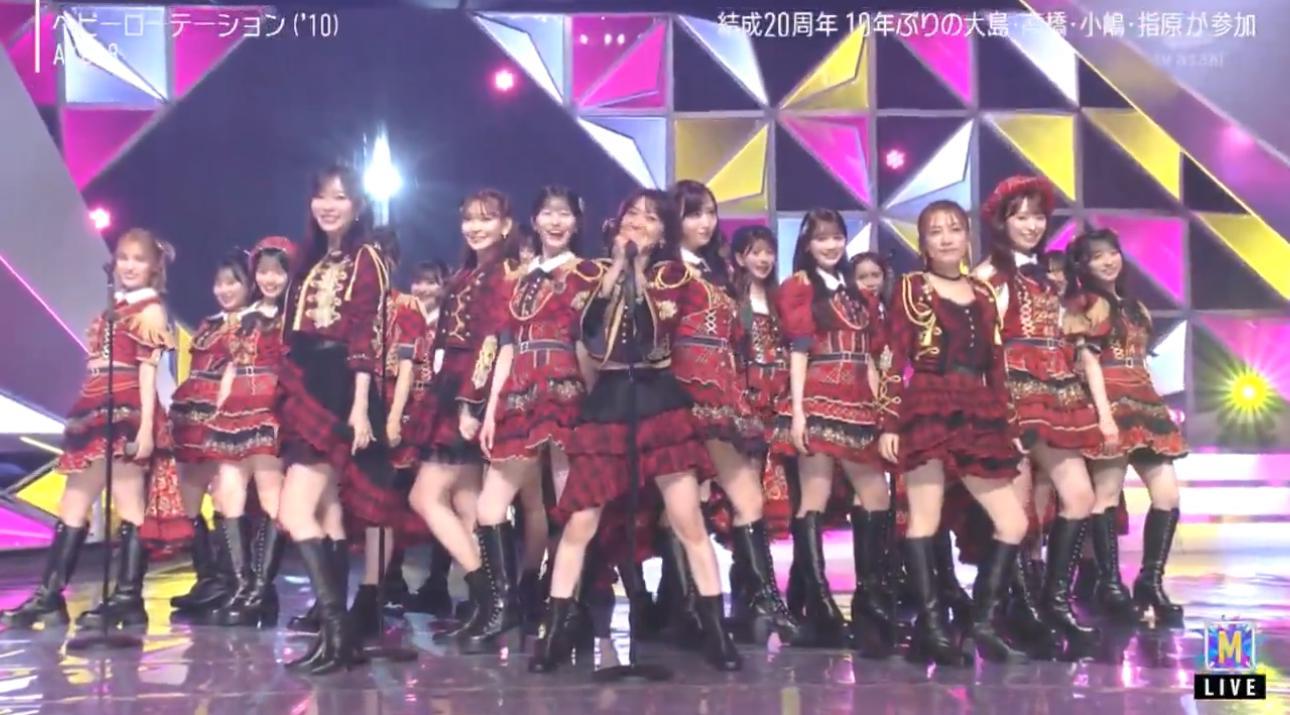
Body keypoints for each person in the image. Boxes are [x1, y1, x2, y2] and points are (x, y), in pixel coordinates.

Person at [530, 189, 739, 673]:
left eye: (650, 217)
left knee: (687, 519)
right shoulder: (589, 272)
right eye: (632, 214)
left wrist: (639, 270)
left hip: (658, 401)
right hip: (607, 403)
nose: (638, 222)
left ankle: (717, 632)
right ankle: (555, 632)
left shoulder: (675, 277)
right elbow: (588, 331)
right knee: (580, 522)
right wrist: (619, 269)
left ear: (664, 231)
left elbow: (651, 333)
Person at [877, 200, 1031, 664]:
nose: (945, 238)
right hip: (928, 403)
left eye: (954, 229)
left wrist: (1010, 422)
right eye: (935, 231)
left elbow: (997, 364)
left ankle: (980, 623)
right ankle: (931, 628)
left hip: (977, 408)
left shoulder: (982, 291)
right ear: (923, 243)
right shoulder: (912, 287)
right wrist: (888, 421)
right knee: (924, 519)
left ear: (967, 237)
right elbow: (892, 354)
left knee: (1014, 522)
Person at [1, 229, 178, 630]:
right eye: (123, 257)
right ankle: (50, 597)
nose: (128, 266)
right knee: (73, 503)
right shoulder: (115, 306)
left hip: (126, 409)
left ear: (153, 267)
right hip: (96, 406)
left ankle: (128, 597)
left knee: (129, 502)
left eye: (138, 259)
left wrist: (145, 429)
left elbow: (148, 372)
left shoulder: (149, 309)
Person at [973, 176, 1114, 657]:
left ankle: (1054, 603)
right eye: (1021, 216)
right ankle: (1014, 611)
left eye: (1037, 216)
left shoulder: (1045, 276)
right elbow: (982, 346)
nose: (1031, 225)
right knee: (1016, 515)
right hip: (1011, 394)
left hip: (1056, 392)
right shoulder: (988, 276)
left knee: (1080, 496)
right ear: (1002, 221)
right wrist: (996, 410)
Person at [465, 186, 600, 649]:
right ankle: (507, 606)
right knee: (490, 507)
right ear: (535, 220)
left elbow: (588, 346)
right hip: (520, 395)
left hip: (566, 393)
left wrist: (592, 404)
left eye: (564, 213)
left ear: (576, 223)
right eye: (547, 213)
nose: (556, 221)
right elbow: (506, 348)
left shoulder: (587, 274)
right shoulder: (518, 278)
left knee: (570, 505)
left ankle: (569, 608)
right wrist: (490, 410)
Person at [669, 181, 799, 646]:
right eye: (693, 213)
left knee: (748, 500)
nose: (704, 222)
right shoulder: (666, 270)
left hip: (723, 394)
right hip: (678, 394)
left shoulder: (718, 271)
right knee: (681, 508)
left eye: (709, 212)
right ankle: (691, 608)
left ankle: (764, 601)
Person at [276, 164, 392, 674]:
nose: (328, 206)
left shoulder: (368, 258)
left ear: (358, 205)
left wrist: (361, 406)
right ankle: (335, 636)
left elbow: (367, 335)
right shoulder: (312, 258)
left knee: (294, 509)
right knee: (325, 513)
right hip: (306, 379)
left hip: (338, 384)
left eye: (340, 197)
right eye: (322, 197)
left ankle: (338, 631)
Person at [770, 209, 892, 650]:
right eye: (821, 239)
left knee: (876, 495)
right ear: (807, 244)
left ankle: (869, 597)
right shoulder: (800, 287)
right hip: (819, 398)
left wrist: (882, 409)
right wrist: (798, 413)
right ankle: (820, 603)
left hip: (859, 403)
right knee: (815, 496)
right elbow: (798, 352)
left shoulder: (856, 291)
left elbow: (872, 357)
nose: (831, 245)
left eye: (837, 237)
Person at [407, 190, 520, 644]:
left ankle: (491, 597)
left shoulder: (504, 274)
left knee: (425, 496)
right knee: (468, 503)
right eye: (469, 219)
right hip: (450, 386)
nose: (475, 228)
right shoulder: (470, 273)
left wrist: (471, 402)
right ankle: (490, 605)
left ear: (506, 226)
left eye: (486, 219)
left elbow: (495, 341)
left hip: (469, 391)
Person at [1064, 228, 1186, 627]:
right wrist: (1103, 417)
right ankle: (1109, 582)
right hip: (1110, 401)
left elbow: (1142, 359)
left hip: (1145, 402)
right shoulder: (1086, 305)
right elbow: (1089, 364)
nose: (1108, 261)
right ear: (1083, 265)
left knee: (1167, 494)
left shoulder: (1136, 307)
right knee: (1106, 495)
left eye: (1112, 253)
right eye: (1097, 256)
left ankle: (1150, 580)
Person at [210, 237, 294, 628]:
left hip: (271, 406)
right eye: (263, 271)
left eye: (277, 272)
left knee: (271, 496)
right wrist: (220, 405)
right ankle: (245, 586)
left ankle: (261, 587)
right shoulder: (245, 317)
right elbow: (231, 364)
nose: (269, 279)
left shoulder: (293, 316)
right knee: (228, 495)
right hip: (236, 406)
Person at [168, 254, 249, 618]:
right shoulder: (208, 323)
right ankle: (207, 577)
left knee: (223, 496)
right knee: (188, 499)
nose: (224, 289)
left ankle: (231, 580)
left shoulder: (251, 323)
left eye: (232, 282)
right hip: (190, 416)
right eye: (219, 283)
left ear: (248, 285)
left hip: (223, 414)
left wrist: (224, 409)